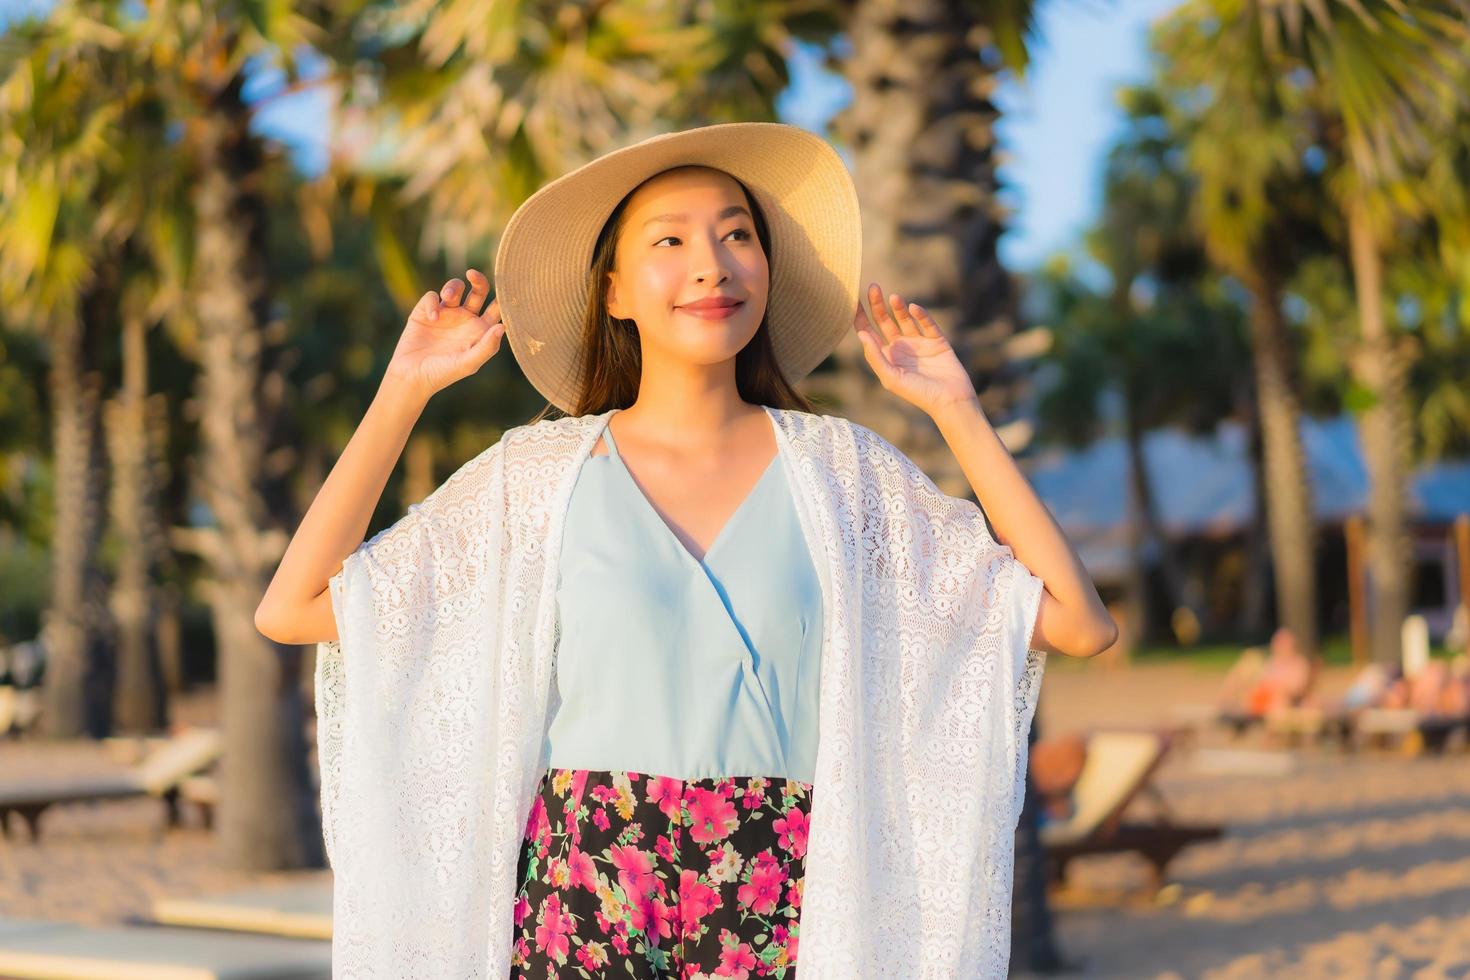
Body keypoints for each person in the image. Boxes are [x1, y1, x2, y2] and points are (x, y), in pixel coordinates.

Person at [256, 122, 1116, 978]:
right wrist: (403, 391)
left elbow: (1079, 623)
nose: (714, 262)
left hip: (785, 898)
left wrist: (957, 411)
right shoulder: (535, 479)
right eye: (671, 239)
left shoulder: (844, 477)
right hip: (579, 899)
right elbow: (293, 608)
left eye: (738, 233)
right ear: (616, 290)